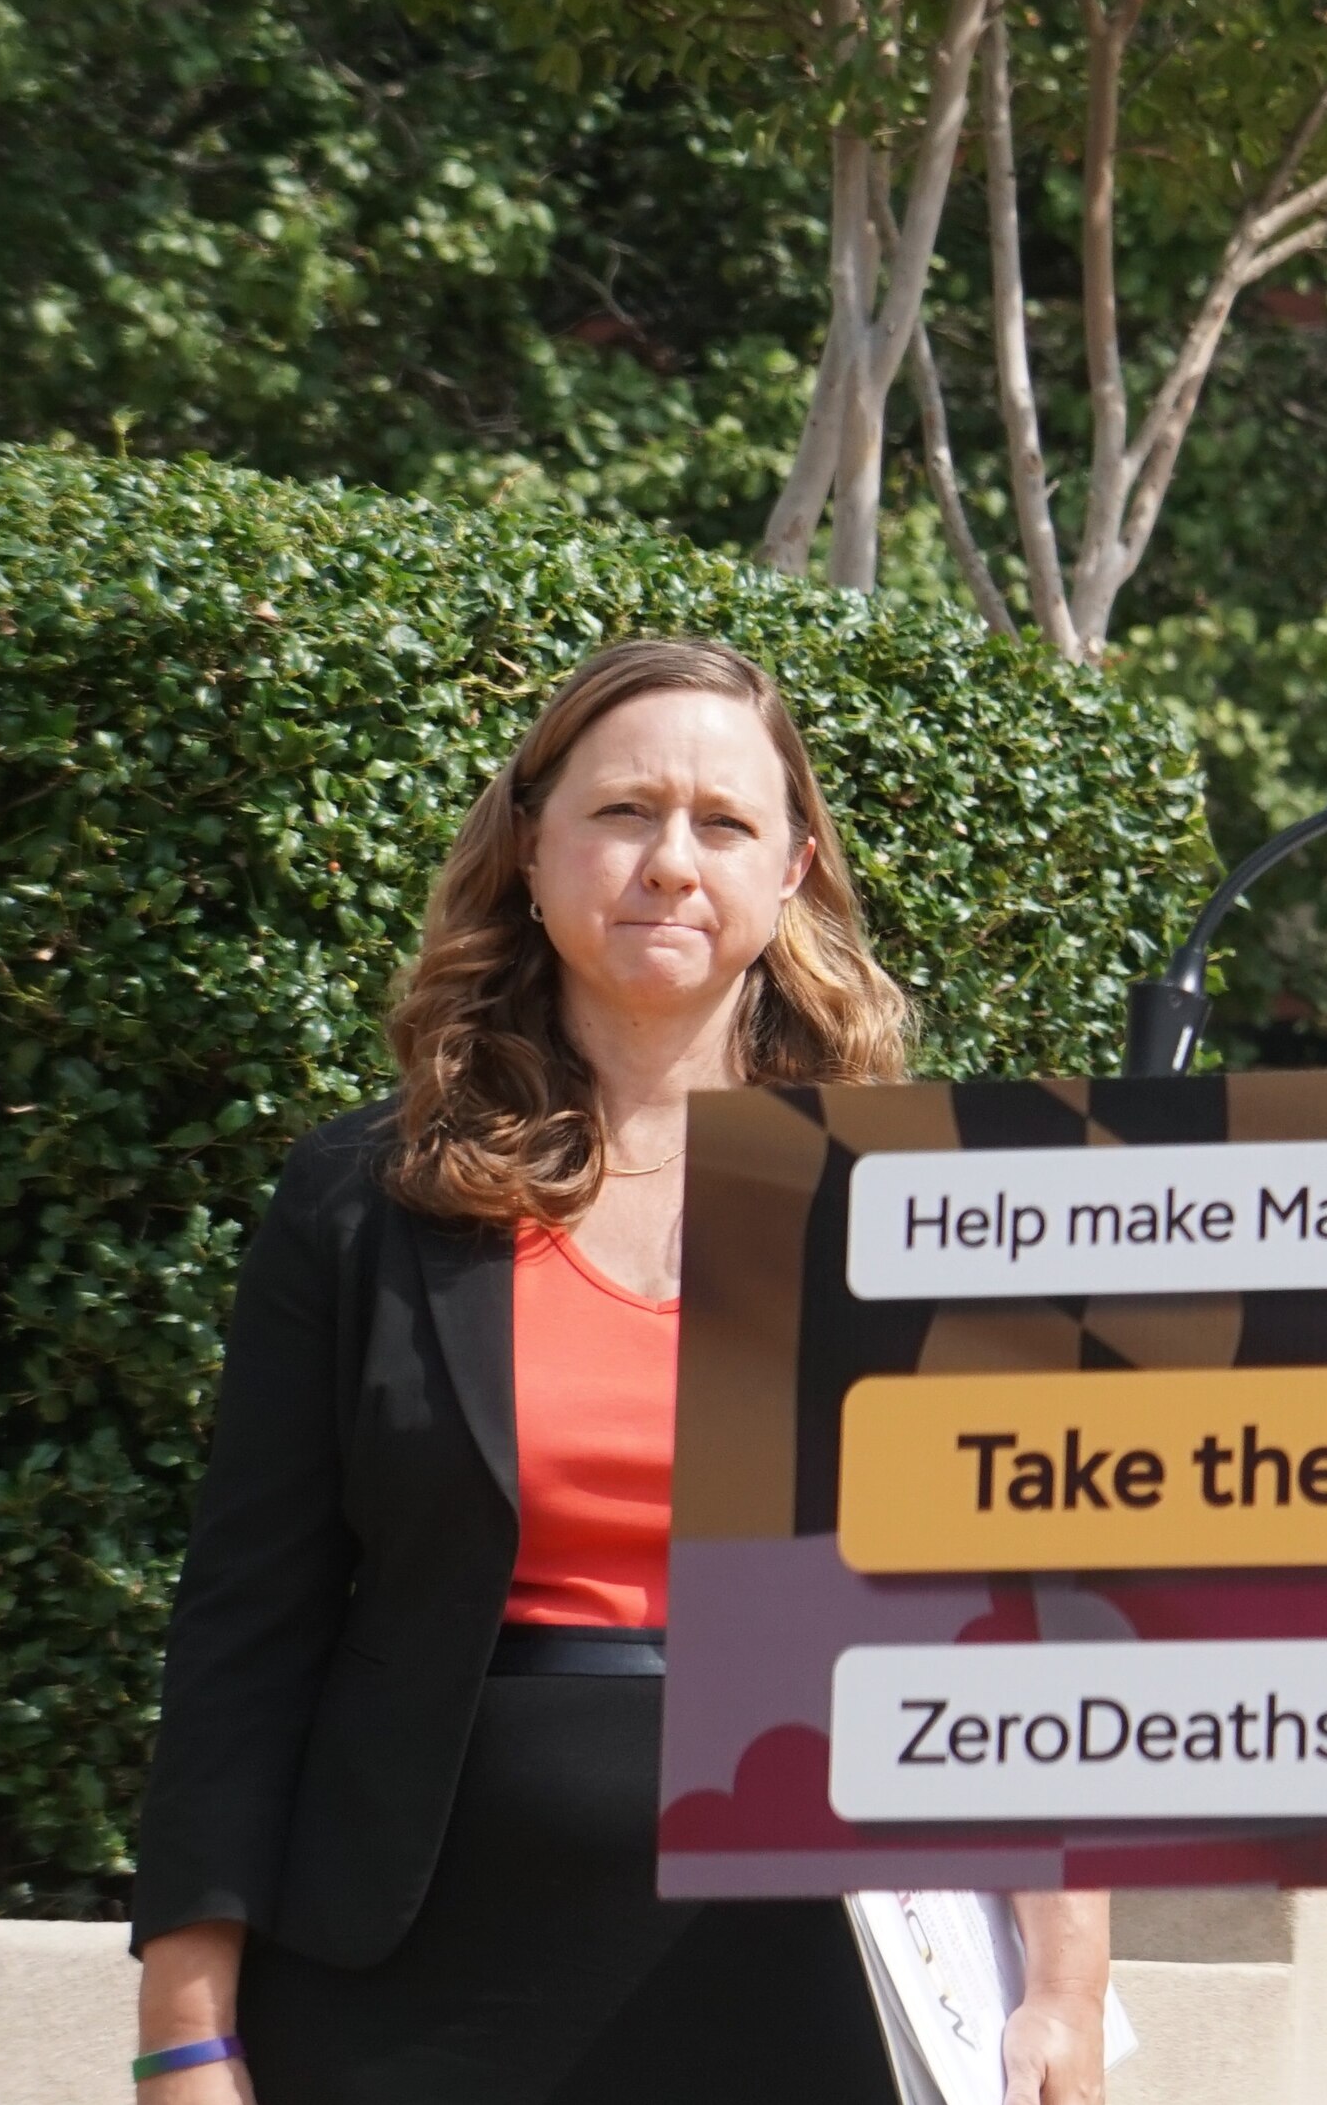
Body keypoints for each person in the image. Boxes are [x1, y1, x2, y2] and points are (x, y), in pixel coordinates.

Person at [128, 639, 1112, 2105]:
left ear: (792, 869)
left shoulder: (910, 1205)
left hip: (816, 1962)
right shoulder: (362, 1197)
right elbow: (242, 1637)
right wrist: (185, 2028)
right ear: (531, 847)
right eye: (622, 812)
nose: (670, 860)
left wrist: (1066, 1986)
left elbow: (1017, 1620)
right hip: (407, 1985)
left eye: (724, 821)